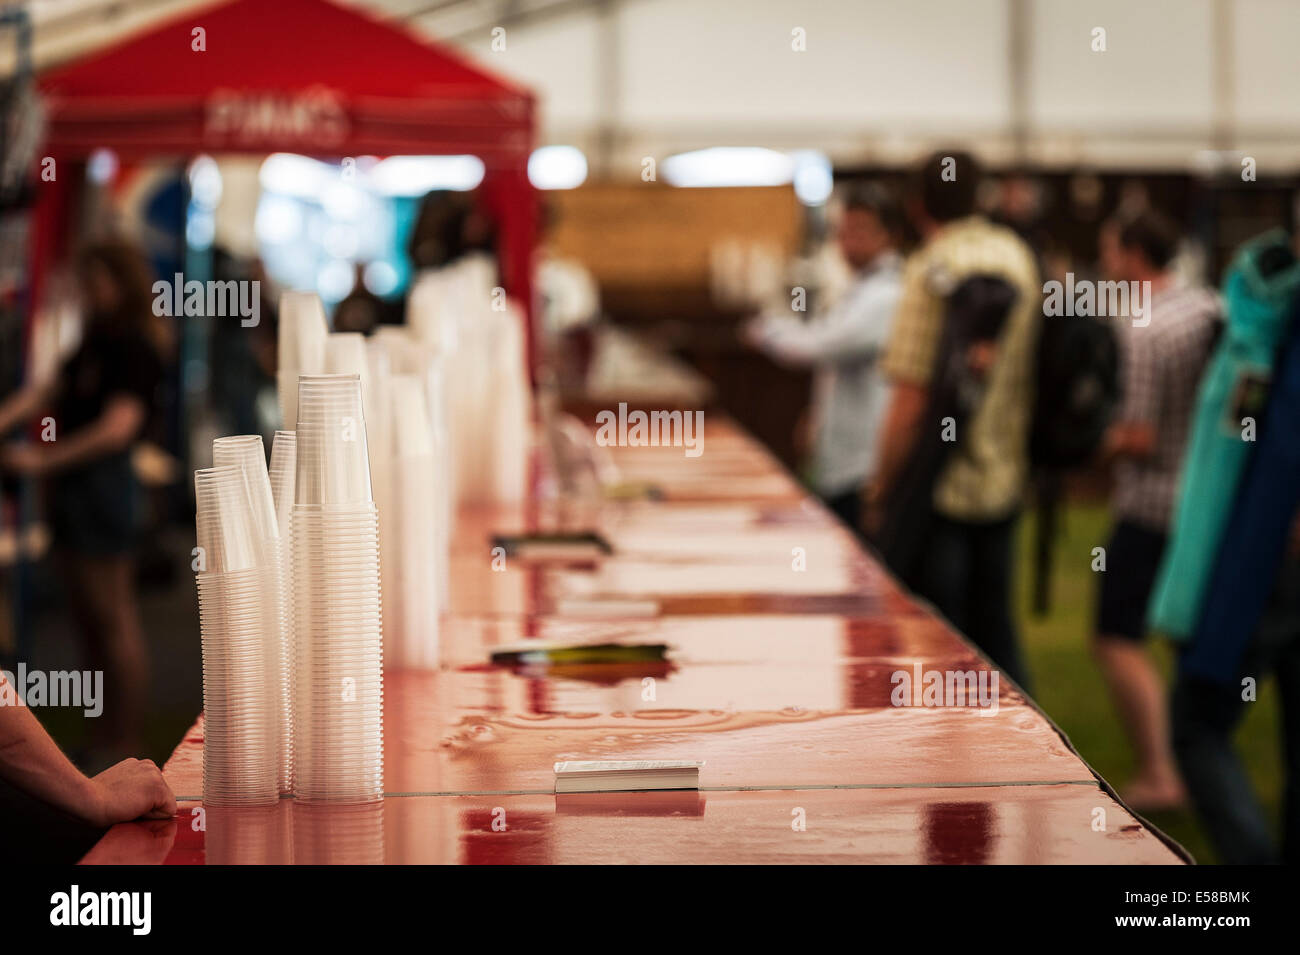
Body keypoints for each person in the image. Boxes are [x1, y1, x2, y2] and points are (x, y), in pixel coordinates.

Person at [868, 151, 1040, 688]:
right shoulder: (1018, 257)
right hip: (1005, 473)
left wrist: (881, 486)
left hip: (936, 484)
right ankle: (1039, 762)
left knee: (941, 648)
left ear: (918, 204)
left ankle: (953, 765)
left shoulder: (931, 267)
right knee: (999, 639)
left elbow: (911, 400)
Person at [0, 239, 169, 764]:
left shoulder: (136, 347)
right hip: (76, 495)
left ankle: (125, 742)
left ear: (120, 283)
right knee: (87, 620)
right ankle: (105, 741)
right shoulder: (97, 337)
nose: (90, 291)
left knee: (111, 617)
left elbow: (117, 431)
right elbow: (50, 390)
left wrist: (43, 461)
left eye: (97, 281)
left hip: (103, 494)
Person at [1092, 211, 1219, 811]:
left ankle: (1162, 772)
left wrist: (1089, 439)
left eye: (1110, 254)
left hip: (1150, 504)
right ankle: (1197, 758)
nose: (1104, 268)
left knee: (1116, 636)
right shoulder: (1205, 307)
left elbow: (1136, 436)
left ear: (1134, 256)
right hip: (1206, 501)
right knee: (1179, 635)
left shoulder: (1140, 325)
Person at [744, 183, 904, 533]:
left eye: (860, 231)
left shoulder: (887, 294)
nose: (848, 242)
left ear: (889, 236)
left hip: (865, 461)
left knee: (860, 563)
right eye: (843, 232)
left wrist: (767, 331)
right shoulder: (861, 287)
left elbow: (825, 345)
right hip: (844, 456)